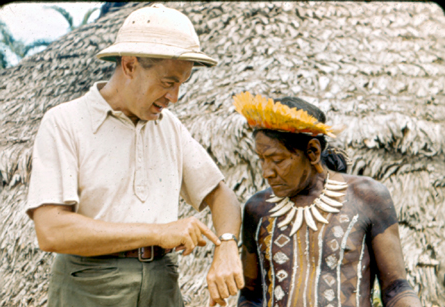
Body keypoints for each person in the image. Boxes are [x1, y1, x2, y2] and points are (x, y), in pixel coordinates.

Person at [26, 4, 243, 307]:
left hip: (162, 285)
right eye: (168, 82)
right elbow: (51, 230)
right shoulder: (65, 122)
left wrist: (228, 245)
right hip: (89, 287)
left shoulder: (170, 128)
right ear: (129, 65)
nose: (174, 97)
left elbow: (222, 196)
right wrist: (157, 232)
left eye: (182, 84)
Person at [233, 92, 421, 307]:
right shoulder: (258, 209)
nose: (266, 172)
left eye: (277, 160)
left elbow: (395, 288)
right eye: (262, 160)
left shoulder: (367, 198)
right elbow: (250, 295)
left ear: (312, 152)